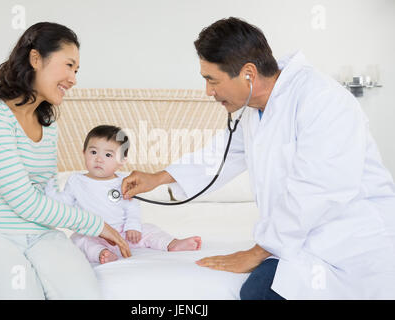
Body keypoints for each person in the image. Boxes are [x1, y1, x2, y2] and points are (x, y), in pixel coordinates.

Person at [121, 17, 395, 299]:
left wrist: (257, 252)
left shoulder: (322, 100)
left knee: (259, 293)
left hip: (354, 247)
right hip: (299, 244)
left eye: (212, 80)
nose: (208, 92)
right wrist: (157, 178)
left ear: (248, 74)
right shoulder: (255, 112)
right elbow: (218, 156)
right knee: (258, 291)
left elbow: (317, 190)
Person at [0, 22, 131, 300]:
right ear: (35, 59)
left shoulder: (47, 124)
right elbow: (23, 199)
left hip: (41, 233)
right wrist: (96, 224)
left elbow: (47, 192)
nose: (73, 78)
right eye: (69, 65)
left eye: (76, 70)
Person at [45, 125, 202, 264]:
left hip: (123, 232)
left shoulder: (124, 181)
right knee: (78, 240)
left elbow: (131, 206)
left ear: (122, 160)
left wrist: (132, 227)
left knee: (150, 229)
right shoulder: (75, 180)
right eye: (93, 152)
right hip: (92, 233)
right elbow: (63, 205)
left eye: (108, 155)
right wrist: (49, 185)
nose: (99, 159)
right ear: (84, 153)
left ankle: (172, 244)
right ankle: (102, 253)